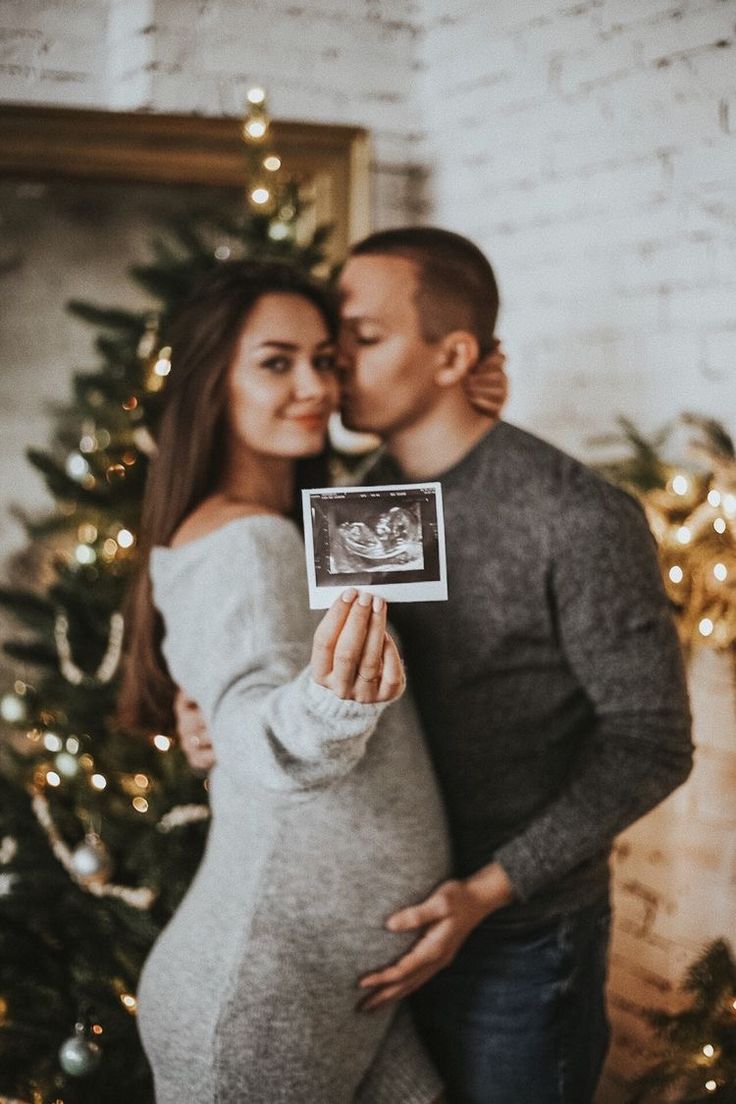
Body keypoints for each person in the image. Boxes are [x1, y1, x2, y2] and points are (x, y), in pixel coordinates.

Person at [180, 228, 693, 1104]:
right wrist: (220, 721)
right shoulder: (349, 502)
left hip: (519, 943)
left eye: (361, 340)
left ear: (455, 355)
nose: (335, 364)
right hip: (381, 935)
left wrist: (485, 894)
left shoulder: (576, 517)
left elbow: (653, 741)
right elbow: (302, 673)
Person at [118, 260, 455, 1104]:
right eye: (276, 362)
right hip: (261, 999)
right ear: (212, 384)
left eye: (326, 359)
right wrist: (328, 708)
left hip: (342, 985)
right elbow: (250, 724)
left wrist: (460, 394)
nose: (314, 385)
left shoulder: (295, 523)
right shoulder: (246, 544)